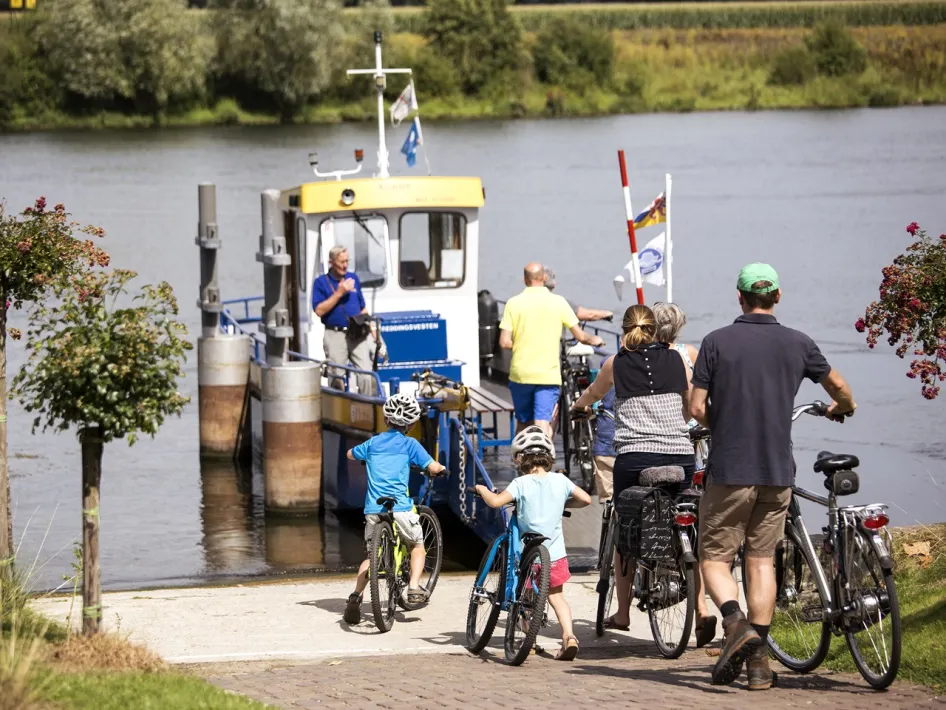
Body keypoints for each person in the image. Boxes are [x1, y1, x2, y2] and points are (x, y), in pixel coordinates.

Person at [689, 263, 856, 690]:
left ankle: (734, 622)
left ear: (739, 297)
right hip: (778, 471)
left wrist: (721, 424)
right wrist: (843, 407)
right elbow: (838, 386)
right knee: (762, 561)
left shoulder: (715, 342)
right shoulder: (798, 342)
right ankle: (759, 666)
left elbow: (695, 407)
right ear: (778, 296)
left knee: (715, 557)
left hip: (730, 467)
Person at [572, 305, 694, 635]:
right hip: (681, 454)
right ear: (655, 329)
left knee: (624, 528)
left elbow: (594, 394)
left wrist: (578, 407)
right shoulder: (678, 359)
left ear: (626, 331)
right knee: (687, 517)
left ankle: (623, 613)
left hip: (635, 457)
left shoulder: (615, 363)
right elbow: (688, 405)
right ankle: (702, 604)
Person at [475, 426, 592, 661]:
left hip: (529, 555)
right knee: (557, 597)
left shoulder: (521, 483)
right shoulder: (561, 480)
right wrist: (563, 505)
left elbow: (497, 502)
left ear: (520, 459)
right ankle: (569, 636)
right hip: (555, 556)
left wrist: (481, 489)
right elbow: (587, 499)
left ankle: (530, 641)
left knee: (526, 598)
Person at [343, 393, 446, 624]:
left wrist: (365, 457)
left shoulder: (373, 442)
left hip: (373, 508)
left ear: (386, 419)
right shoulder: (410, 444)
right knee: (417, 545)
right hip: (401, 506)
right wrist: (440, 468)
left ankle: (355, 596)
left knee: (372, 556)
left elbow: (350, 454)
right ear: (411, 424)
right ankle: (413, 587)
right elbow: (432, 466)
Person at [651, 301, 716, 646]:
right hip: (690, 440)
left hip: (657, 438)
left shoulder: (642, 356)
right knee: (691, 512)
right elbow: (699, 400)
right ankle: (702, 604)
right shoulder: (689, 352)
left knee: (650, 507)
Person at [499, 262, 604, 437]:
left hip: (521, 373)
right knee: (542, 423)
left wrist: (522, 345)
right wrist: (594, 340)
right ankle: (544, 459)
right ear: (544, 278)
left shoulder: (513, 303)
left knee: (523, 423)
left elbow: (504, 342)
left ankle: (520, 461)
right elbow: (580, 336)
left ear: (524, 280)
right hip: (548, 375)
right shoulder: (559, 302)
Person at [313, 245, 376, 394]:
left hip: (357, 333)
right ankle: (337, 413)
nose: (345, 265)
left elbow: (363, 308)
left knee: (367, 376)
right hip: (335, 334)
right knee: (336, 377)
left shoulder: (353, 278)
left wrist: (374, 332)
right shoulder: (321, 282)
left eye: (347, 261)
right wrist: (339, 293)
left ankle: (367, 407)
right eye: (341, 262)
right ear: (331, 262)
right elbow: (318, 310)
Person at [543, 266, 613, 322]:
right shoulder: (559, 302)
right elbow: (588, 315)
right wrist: (606, 314)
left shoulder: (532, 299)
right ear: (554, 284)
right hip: (555, 340)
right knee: (596, 339)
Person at [591, 388, 616, 503]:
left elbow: (595, 389)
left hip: (608, 443)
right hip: (654, 446)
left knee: (608, 498)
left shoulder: (612, 369)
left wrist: (579, 405)